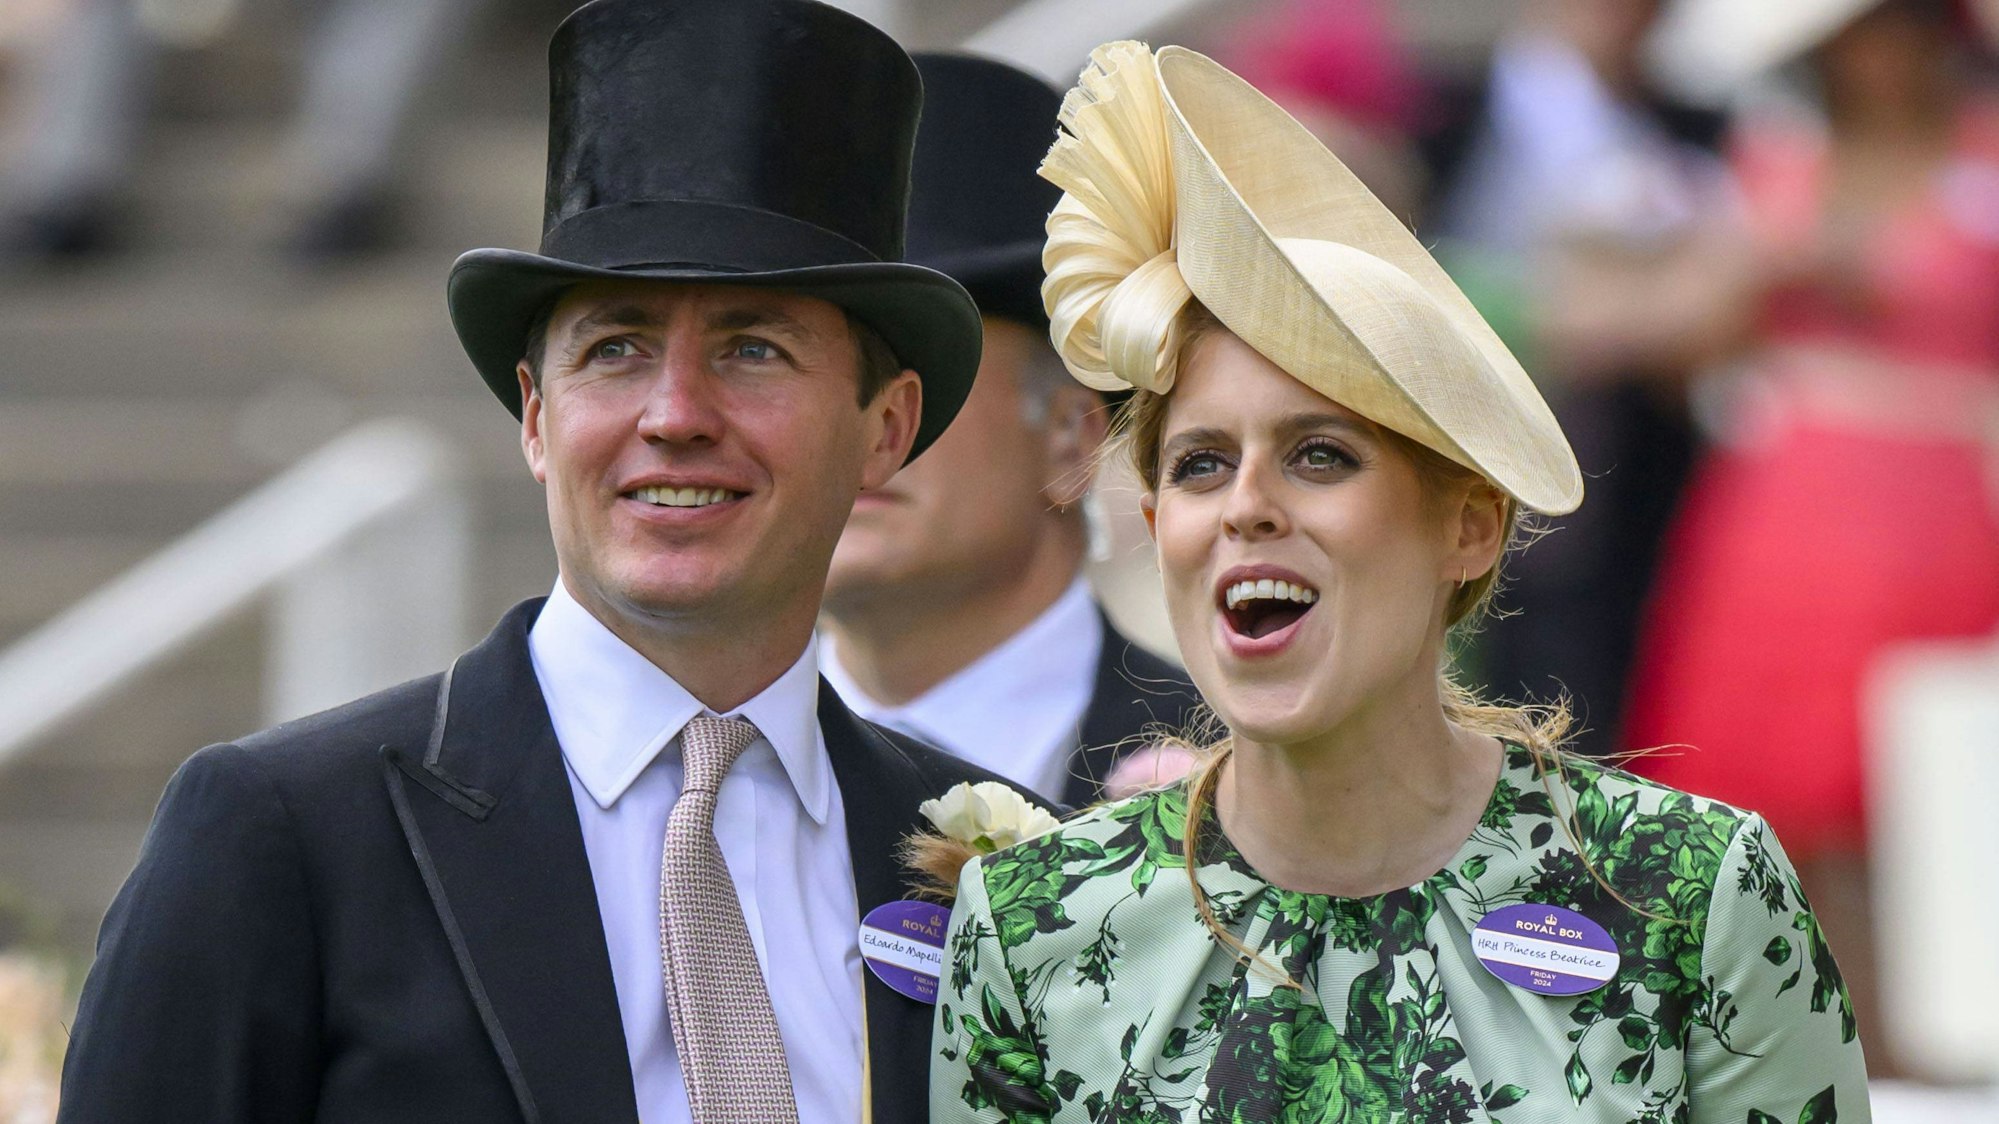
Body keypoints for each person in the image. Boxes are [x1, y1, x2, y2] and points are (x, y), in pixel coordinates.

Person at [56, 2, 1041, 1121]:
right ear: (535, 416)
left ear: (886, 427)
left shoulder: (1002, 860)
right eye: (615, 348)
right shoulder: (280, 835)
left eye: (752, 348)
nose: (674, 413)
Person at [931, 42, 1867, 1122]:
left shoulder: (1690, 892)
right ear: (1154, 528)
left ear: (1469, 522)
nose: (1246, 505)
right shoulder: (1030, 920)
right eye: (1199, 464)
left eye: (1320, 453)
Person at [1627, 0, 1999, 1072]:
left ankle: (1940, 1049)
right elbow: (1678, 347)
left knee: (1929, 783)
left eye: (1898, 31)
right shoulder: (1773, 168)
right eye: (1855, 36)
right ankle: (1819, 1053)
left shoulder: (1984, 159)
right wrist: (1767, 268)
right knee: (1783, 790)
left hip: (1941, 507)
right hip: (1783, 512)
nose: (1876, 57)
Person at [822, 53, 1202, 806]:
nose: (856, 430)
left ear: (1069, 438)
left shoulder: (1252, 782)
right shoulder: (692, 774)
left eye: (913, 374)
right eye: (797, 375)